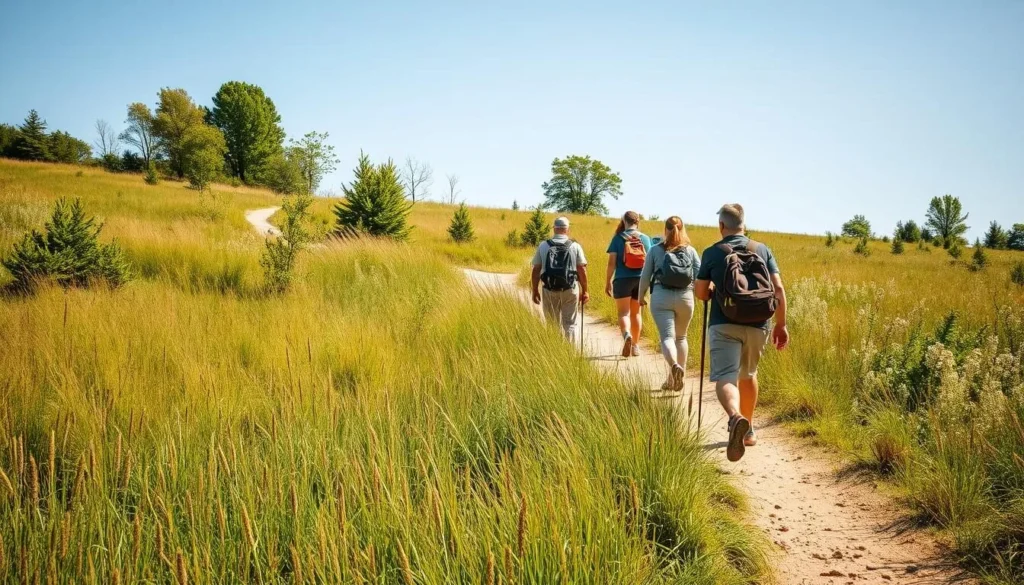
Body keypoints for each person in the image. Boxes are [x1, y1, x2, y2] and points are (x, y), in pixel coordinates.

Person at [694, 204, 789, 462]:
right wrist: (781, 324)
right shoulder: (762, 249)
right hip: (759, 323)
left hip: (723, 323)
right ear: (743, 224)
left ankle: (735, 417)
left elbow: (701, 293)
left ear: (721, 226)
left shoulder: (712, 253)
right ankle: (749, 431)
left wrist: (713, 291)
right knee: (748, 375)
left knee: (726, 376)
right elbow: (778, 289)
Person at [638, 217, 701, 394]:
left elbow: (645, 276)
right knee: (681, 338)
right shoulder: (691, 251)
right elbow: (700, 276)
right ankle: (675, 377)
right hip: (685, 297)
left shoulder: (655, 250)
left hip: (661, 295)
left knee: (667, 337)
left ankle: (674, 366)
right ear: (683, 229)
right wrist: (701, 295)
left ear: (665, 230)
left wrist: (640, 296)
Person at [531, 216, 589, 344]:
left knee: (552, 323)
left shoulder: (543, 246)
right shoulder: (575, 246)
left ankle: (555, 352)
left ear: (554, 229)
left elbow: (536, 269)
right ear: (567, 229)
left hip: (549, 289)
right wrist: (585, 290)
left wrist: (534, 290)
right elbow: (582, 270)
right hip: (570, 289)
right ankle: (569, 353)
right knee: (570, 324)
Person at [605, 211, 652, 357]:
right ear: (637, 221)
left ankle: (627, 335)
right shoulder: (645, 238)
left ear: (624, 221)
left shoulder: (618, 239)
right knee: (636, 313)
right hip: (640, 280)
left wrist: (608, 282)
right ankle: (636, 346)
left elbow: (611, 263)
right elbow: (650, 262)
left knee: (623, 313)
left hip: (622, 279)